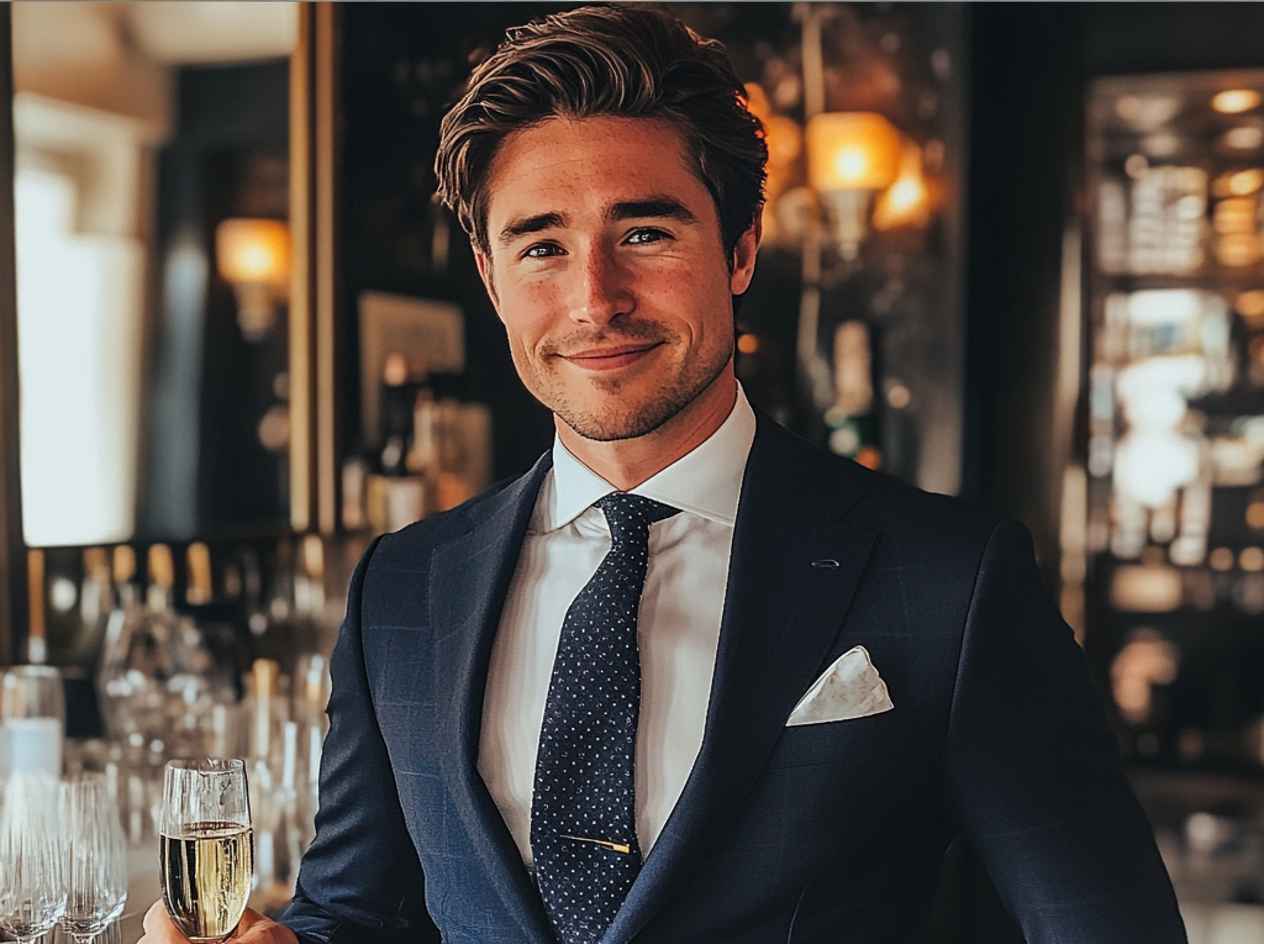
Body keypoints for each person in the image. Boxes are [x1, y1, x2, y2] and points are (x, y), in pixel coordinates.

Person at [141, 6, 1187, 944]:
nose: (595, 298)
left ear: (738, 250)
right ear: (491, 279)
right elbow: (351, 914)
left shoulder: (949, 580)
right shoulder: (401, 587)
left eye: (644, 231)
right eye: (541, 246)